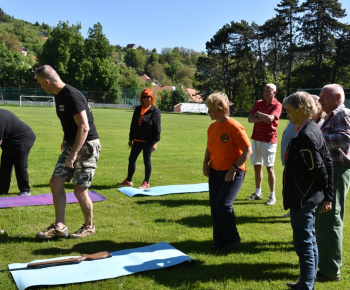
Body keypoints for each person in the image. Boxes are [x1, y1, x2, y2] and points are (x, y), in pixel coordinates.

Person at [35, 65, 101, 239]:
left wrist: (73, 154)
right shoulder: (59, 96)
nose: (41, 87)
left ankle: (89, 227)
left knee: (80, 190)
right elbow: (70, 123)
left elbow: (84, 127)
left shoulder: (71, 95)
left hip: (86, 145)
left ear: (47, 81)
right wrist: (65, 140)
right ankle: (59, 227)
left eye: (41, 84)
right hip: (73, 143)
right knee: (56, 182)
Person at [282, 91, 333, 290]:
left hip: (303, 198)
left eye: (289, 111)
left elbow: (320, 168)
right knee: (309, 240)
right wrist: (325, 193)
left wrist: (325, 193)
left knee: (304, 244)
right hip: (307, 196)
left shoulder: (305, 135)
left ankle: (306, 285)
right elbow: (326, 162)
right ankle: (307, 281)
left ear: (301, 109)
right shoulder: (311, 128)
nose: (288, 115)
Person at [203, 92, 252, 252]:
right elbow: (210, 147)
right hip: (215, 171)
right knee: (215, 206)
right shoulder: (212, 127)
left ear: (219, 109)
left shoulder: (234, 127)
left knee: (223, 204)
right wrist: (205, 162)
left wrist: (234, 169)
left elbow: (247, 151)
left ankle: (232, 240)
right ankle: (219, 241)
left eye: (210, 109)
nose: (208, 112)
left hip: (233, 172)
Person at [316, 84, 350, 282]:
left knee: (331, 218)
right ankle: (327, 264)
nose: (320, 101)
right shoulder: (330, 115)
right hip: (330, 170)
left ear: (337, 97)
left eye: (323, 97)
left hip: (337, 170)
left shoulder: (342, 114)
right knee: (325, 219)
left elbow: (345, 140)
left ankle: (330, 271)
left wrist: (316, 137)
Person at [117, 88, 161, 189]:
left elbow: (157, 128)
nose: (146, 99)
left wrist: (155, 142)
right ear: (142, 98)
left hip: (148, 141)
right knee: (131, 159)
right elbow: (133, 125)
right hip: (137, 140)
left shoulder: (155, 111)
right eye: (144, 97)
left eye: (148, 97)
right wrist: (130, 138)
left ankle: (146, 182)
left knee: (147, 161)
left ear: (152, 98)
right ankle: (129, 180)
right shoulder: (137, 109)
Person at [246, 83, 282, 205]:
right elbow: (250, 119)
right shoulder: (259, 103)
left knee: (269, 168)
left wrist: (258, 114)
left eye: (269, 90)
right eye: (265, 90)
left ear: (274, 93)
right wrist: (263, 117)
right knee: (257, 166)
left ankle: (272, 196)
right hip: (256, 139)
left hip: (269, 140)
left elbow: (270, 120)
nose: (266, 92)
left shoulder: (277, 105)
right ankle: (258, 193)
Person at [0, 109, 36, 196]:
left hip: (22, 139)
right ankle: (2, 190)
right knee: (5, 165)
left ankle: (25, 190)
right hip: (9, 142)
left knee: (20, 164)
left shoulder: (1, 118)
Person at [279, 121, 296, 218]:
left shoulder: (301, 123)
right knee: (288, 186)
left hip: (294, 161)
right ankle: (292, 211)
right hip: (288, 160)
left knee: (293, 187)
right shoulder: (292, 121)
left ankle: (295, 212)